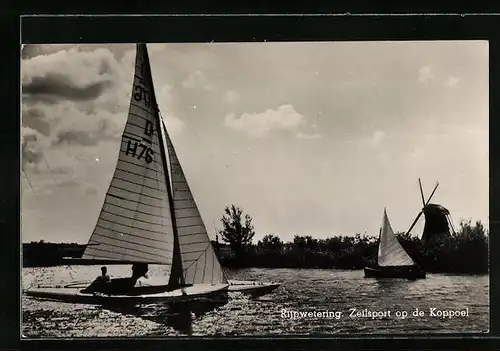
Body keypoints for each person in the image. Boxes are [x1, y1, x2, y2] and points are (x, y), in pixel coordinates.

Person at [81, 263, 149, 295]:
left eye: (104, 270)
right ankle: (88, 290)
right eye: (103, 270)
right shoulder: (101, 277)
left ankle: (89, 290)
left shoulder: (106, 277)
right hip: (108, 287)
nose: (104, 271)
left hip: (110, 286)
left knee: (131, 281)